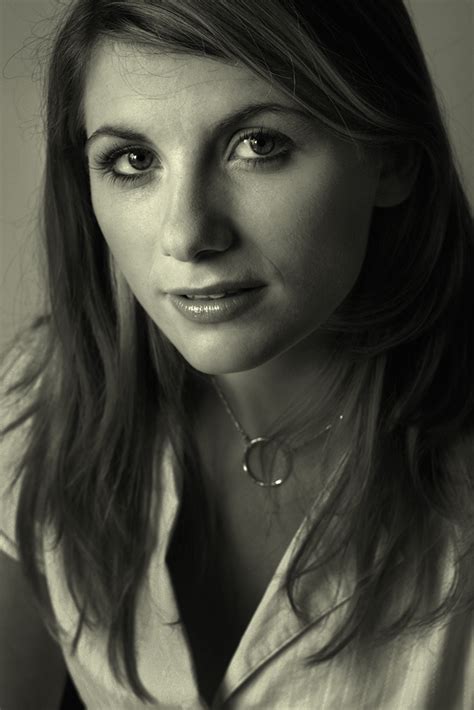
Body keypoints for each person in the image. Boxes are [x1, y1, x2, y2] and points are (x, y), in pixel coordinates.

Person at [1, 0, 473, 707]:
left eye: (258, 145)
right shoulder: (39, 398)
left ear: (391, 160)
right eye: (133, 160)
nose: (188, 234)